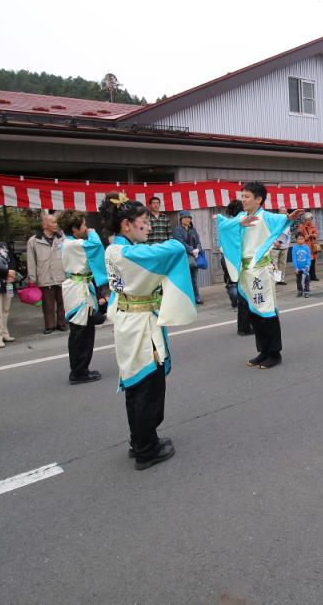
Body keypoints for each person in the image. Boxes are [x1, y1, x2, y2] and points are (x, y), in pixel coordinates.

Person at [101, 193, 197, 469]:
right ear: (127, 225)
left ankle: (140, 440)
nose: (149, 226)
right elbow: (172, 250)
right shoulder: (130, 254)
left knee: (136, 385)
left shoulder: (113, 250)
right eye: (144, 221)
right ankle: (146, 449)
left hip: (129, 322)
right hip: (141, 326)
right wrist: (178, 240)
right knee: (147, 386)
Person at [217, 182, 303, 369]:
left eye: (247, 196)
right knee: (253, 313)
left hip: (261, 270)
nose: (243, 200)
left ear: (258, 199)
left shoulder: (266, 216)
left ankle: (275, 353)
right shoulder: (241, 217)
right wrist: (240, 223)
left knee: (267, 311)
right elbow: (224, 226)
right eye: (242, 196)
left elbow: (282, 220)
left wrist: (289, 218)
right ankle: (263, 351)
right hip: (246, 271)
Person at [58, 210, 109, 385]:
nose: (86, 228)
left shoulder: (71, 242)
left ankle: (81, 369)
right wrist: (93, 232)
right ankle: (79, 372)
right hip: (78, 291)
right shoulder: (73, 244)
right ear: (74, 228)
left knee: (83, 331)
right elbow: (96, 245)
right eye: (84, 225)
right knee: (81, 332)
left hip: (80, 288)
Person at [27, 211, 68, 333]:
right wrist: (32, 278)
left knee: (62, 302)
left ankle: (62, 323)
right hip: (44, 275)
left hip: (61, 275)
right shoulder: (33, 241)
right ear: (45, 225)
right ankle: (49, 326)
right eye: (53, 222)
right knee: (48, 304)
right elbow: (31, 261)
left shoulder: (62, 239)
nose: (56, 225)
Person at [221, 200, 253, 336]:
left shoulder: (229, 222)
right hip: (242, 260)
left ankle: (243, 326)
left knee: (237, 288)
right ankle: (245, 327)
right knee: (246, 294)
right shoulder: (243, 220)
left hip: (229, 259)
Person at [172, 210, 205, 304]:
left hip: (195, 257)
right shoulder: (177, 230)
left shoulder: (193, 229)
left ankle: (196, 297)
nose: (187, 219)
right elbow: (180, 242)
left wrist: (197, 249)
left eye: (189, 218)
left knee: (194, 278)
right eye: (185, 217)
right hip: (183, 257)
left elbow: (198, 242)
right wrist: (191, 250)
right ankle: (186, 299)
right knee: (185, 278)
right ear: (181, 219)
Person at [297, 212, 320, 281]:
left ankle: (313, 276)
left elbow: (317, 233)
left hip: (313, 246)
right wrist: (307, 236)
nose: (309, 221)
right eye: (307, 220)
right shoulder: (301, 227)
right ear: (304, 220)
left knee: (313, 262)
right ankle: (307, 276)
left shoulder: (313, 226)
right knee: (306, 262)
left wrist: (313, 235)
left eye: (310, 220)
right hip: (305, 246)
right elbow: (299, 237)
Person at [269, 216, 290, 286]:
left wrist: (280, 242)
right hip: (275, 247)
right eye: (281, 212)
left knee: (282, 264)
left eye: (284, 212)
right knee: (274, 264)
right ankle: (276, 279)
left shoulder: (287, 223)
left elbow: (286, 234)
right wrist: (275, 242)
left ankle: (281, 279)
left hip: (284, 246)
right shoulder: (274, 222)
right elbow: (270, 233)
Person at [292, 233, 312, 298]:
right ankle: (300, 291)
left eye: (302, 239)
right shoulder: (294, 248)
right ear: (296, 240)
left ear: (304, 239)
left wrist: (308, 265)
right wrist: (296, 267)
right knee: (298, 280)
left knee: (306, 280)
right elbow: (294, 258)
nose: (300, 240)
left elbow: (309, 257)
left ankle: (307, 291)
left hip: (305, 267)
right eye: (299, 239)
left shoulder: (306, 248)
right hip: (298, 268)